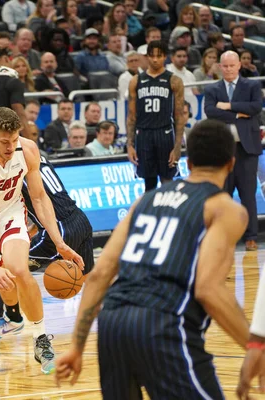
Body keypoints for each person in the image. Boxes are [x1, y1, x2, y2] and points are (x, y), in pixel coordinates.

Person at [55, 119, 251, 399]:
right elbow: (208, 288)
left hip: (113, 323)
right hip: (164, 323)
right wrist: (255, 346)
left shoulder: (144, 200)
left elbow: (99, 275)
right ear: (231, 163)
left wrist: (76, 346)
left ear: (189, 162)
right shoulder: (225, 208)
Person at [0, 107, 84, 374]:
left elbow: (38, 197)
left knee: (19, 269)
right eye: (4, 141)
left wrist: (59, 241)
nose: (10, 147)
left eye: (14, 140)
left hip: (9, 214)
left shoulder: (27, 150)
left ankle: (41, 339)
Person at [0, 155, 94, 337]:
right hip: (80, 219)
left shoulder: (13, 166)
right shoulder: (37, 156)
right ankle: (114, 311)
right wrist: (34, 229)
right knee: (88, 276)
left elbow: (37, 200)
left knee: (7, 268)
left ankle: (10, 318)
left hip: (59, 229)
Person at [204, 50, 263, 252]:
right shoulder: (213, 89)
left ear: (239, 65)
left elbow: (255, 107)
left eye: (232, 65)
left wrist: (228, 107)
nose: (228, 69)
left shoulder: (252, 85)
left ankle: (251, 237)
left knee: (248, 194)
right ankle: (225, 237)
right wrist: (239, 113)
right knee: (224, 195)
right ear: (220, 67)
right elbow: (210, 111)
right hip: (222, 150)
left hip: (247, 149)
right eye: (225, 66)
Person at [127, 40, 185, 193]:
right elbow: (131, 116)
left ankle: (169, 215)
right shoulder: (136, 81)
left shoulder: (174, 80)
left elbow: (179, 116)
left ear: (165, 57)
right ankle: (150, 215)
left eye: (159, 56)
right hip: (144, 134)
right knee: (149, 184)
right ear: (146, 57)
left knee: (167, 181)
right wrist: (130, 145)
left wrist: (178, 147)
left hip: (164, 133)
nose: (154, 59)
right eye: (151, 56)